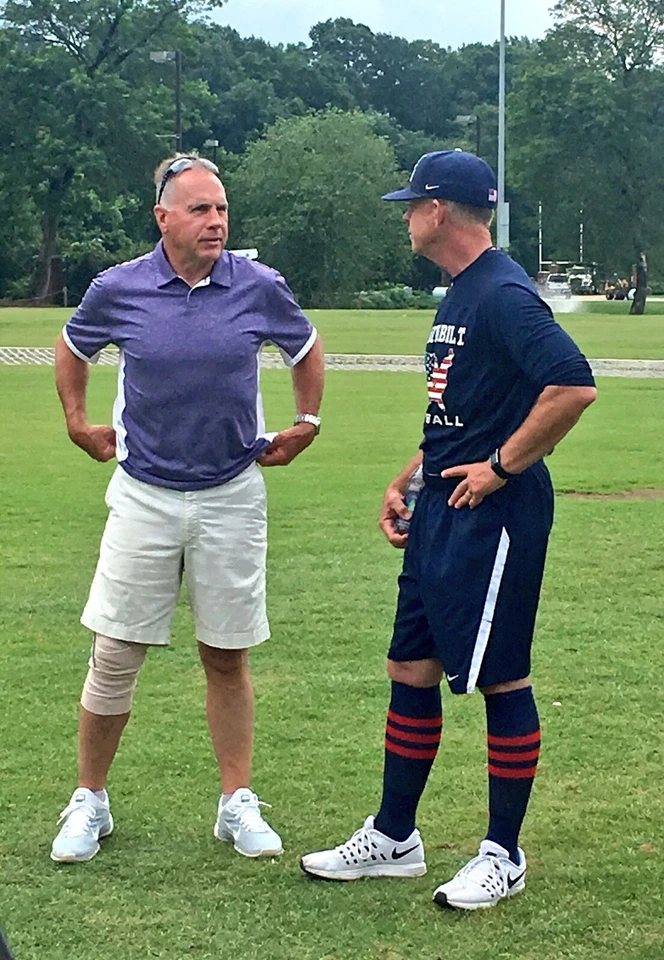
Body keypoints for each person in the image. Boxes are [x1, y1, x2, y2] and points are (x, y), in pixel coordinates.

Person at [301, 150, 596, 910]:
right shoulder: (460, 293)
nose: (405, 215)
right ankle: (395, 836)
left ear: (440, 211)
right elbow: (465, 408)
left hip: (493, 517)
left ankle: (504, 854)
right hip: (443, 506)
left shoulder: (502, 293)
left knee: (502, 677)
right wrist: (415, 473)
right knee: (411, 669)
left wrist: (499, 467)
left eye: (412, 204)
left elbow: (571, 385)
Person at [52, 154, 324, 863]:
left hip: (232, 493)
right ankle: (91, 801)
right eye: (201, 209)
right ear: (163, 217)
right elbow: (72, 345)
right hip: (143, 491)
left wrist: (308, 422)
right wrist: (78, 421)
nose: (216, 222)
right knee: (114, 652)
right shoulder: (119, 288)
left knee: (226, 656)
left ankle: (236, 803)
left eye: (223, 209)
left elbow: (307, 347)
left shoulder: (258, 286)